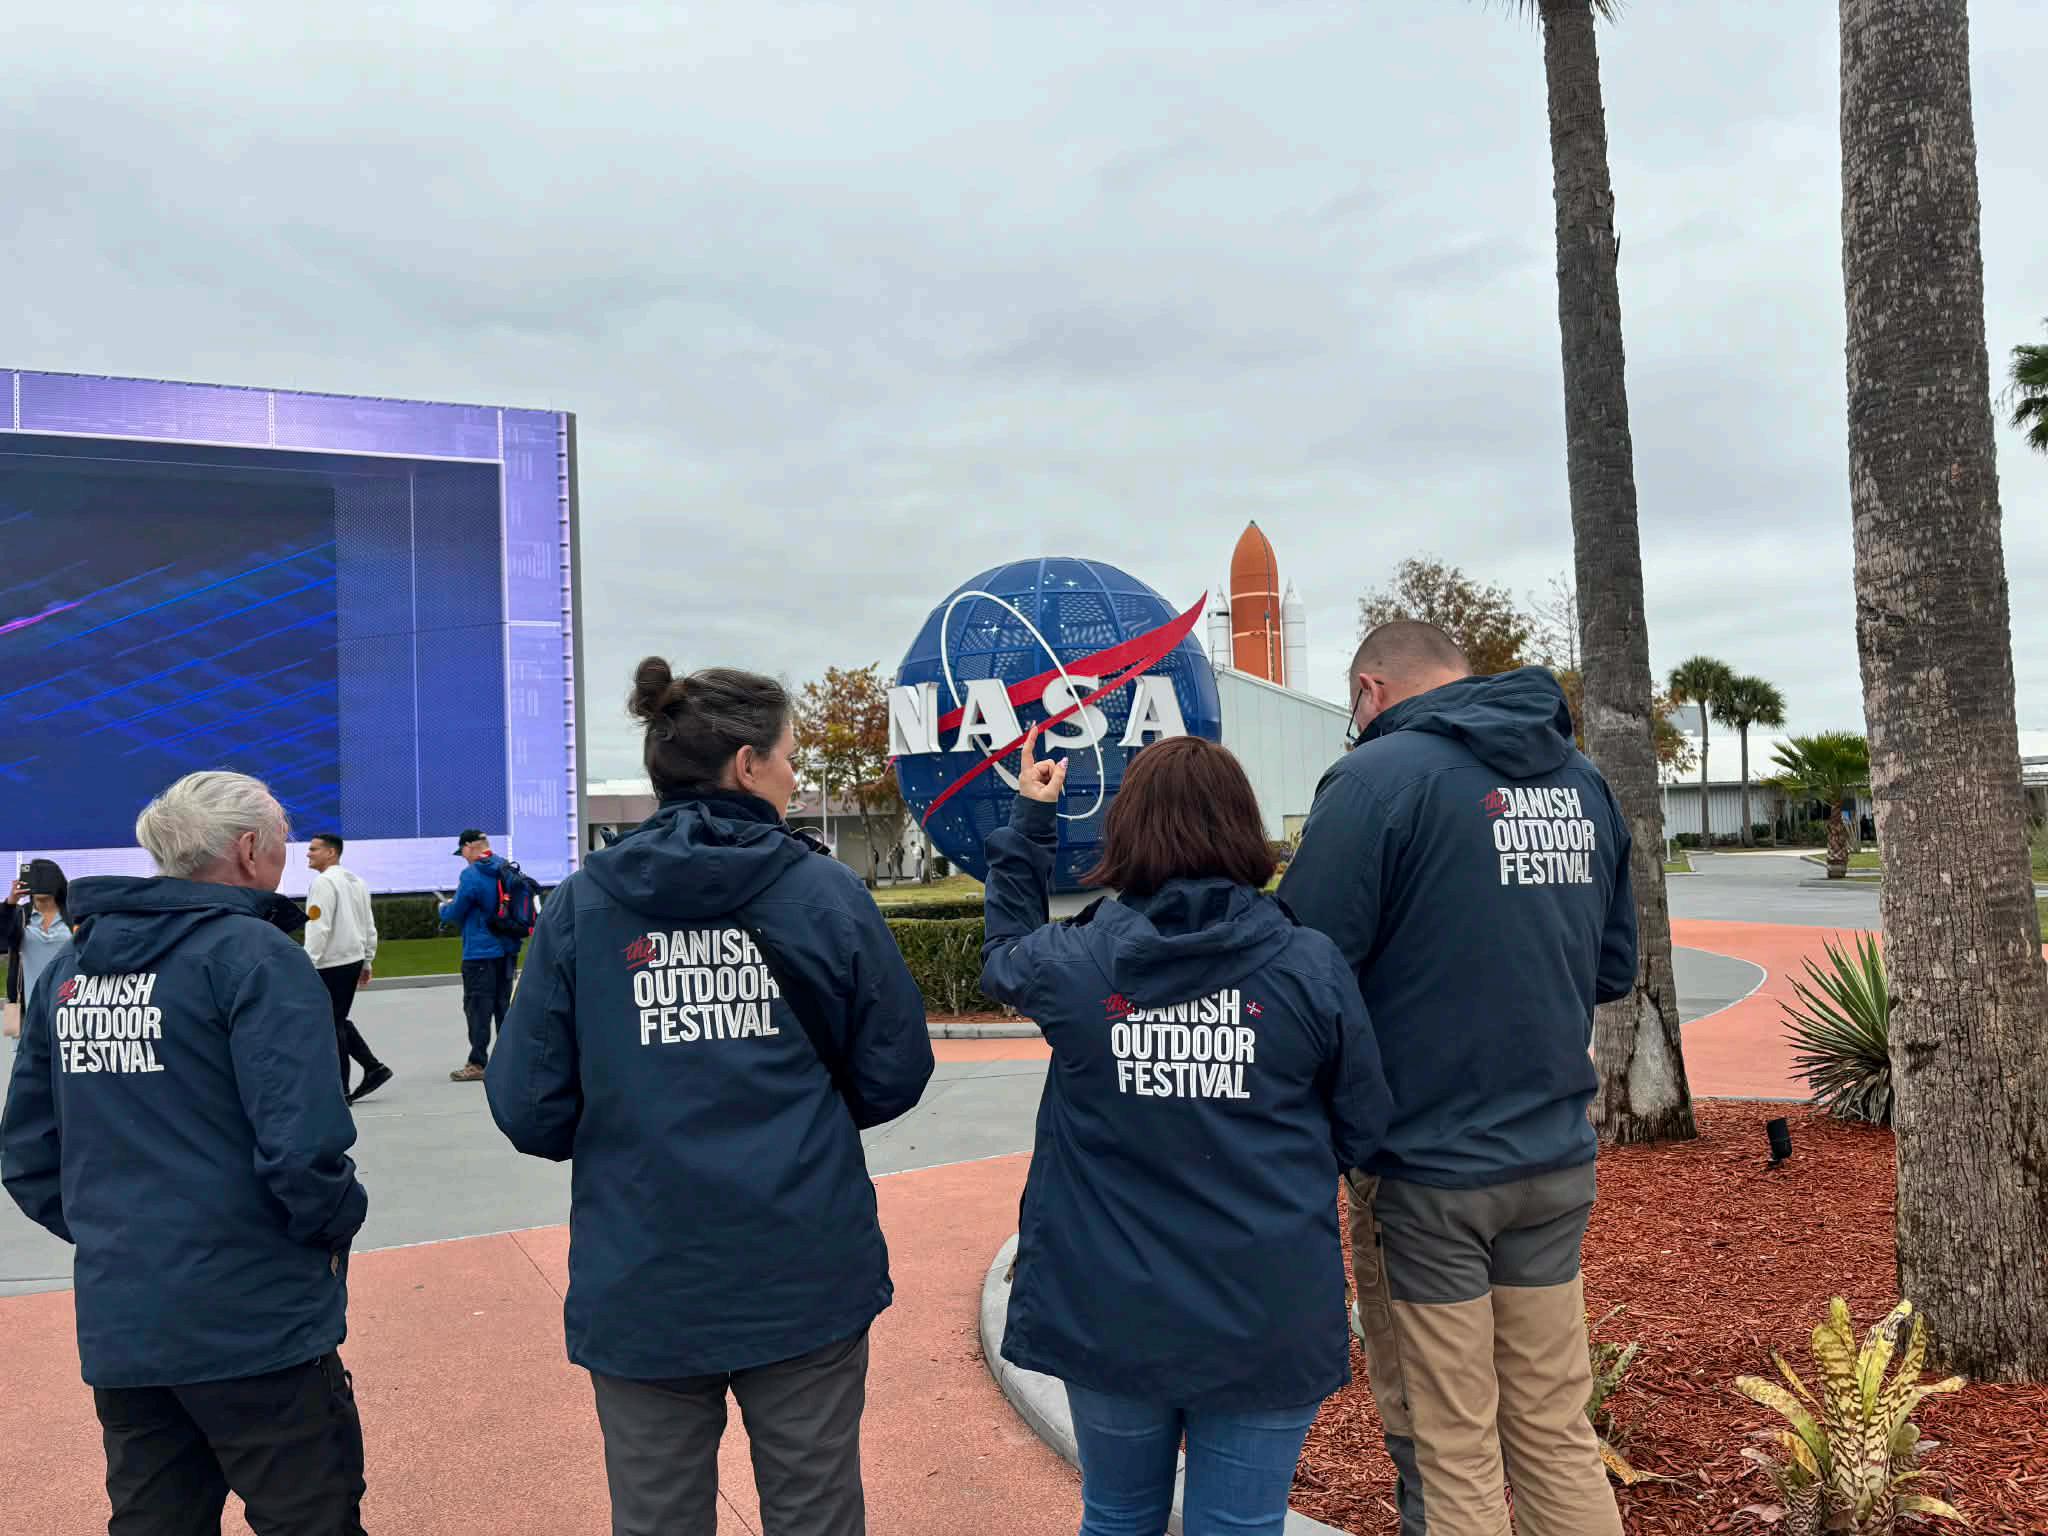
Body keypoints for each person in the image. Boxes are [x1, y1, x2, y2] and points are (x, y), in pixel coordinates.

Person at [486, 660, 935, 1536]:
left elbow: (528, 1107)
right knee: (816, 1513)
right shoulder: (824, 893)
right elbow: (894, 1071)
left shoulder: (582, 907)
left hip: (644, 1268)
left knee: (656, 1518)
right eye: (790, 756)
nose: (795, 774)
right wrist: (802, 1121)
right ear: (746, 764)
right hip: (802, 1267)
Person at [982, 730, 1391, 1536]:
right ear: (1241, 827)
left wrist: (1032, 819)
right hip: (1262, 1307)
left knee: (1118, 1517)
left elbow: (1004, 953)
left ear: (1127, 832)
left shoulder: (1075, 965)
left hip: (1109, 1306)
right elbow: (1364, 1126)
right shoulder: (1308, 966)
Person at [1278, 620, 1637, 1536]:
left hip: (1425, 1171)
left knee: (1451, 1448)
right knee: (1555, 1431)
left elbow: (1301, 975)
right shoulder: (1584, 781)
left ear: (1370, 690)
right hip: (1553, 1159)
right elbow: (1611, 969)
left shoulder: (1373, 780)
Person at [1, 770, 370, 1535]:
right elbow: (303, 1151)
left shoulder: (72, 968)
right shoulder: (256, 959)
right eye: (282, 839)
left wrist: (118, 1233)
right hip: (255, 1319)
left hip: (127, 1317)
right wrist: (333, 1226)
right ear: (248, 850)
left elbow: (29, 1150)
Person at [305, 834, 392, 1104]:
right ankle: (373, 1068)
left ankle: (342, 1088)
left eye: (314, 849)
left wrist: (307, 963)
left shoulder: (323, 883)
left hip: (330, 962)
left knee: (332, 1024)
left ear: (331, 853)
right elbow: (368, 924)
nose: (308, 853)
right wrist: (366, 960)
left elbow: (318, 926)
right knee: (336, 1020)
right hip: (351, 960)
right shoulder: (357, 881)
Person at [441, 829, 517, 1082]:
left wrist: (443, 908)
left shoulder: (472, 874)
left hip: (480, 952)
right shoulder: (506, 868)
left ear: (469, 847)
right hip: (507, 950)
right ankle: (510, 1062)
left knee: (478, 1008)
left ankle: (477, 1063)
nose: (463, 857)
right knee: (503, 1006)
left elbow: (456, 912)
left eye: (462, 851)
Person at [4, 858, 72, 1039]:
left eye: (46, 876)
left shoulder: (73, 915)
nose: (41, 881)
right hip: (26, 1006)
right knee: (25, 1056)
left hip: (68, 1004)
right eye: (36, 876)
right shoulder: (19, 915)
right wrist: (10, 904)